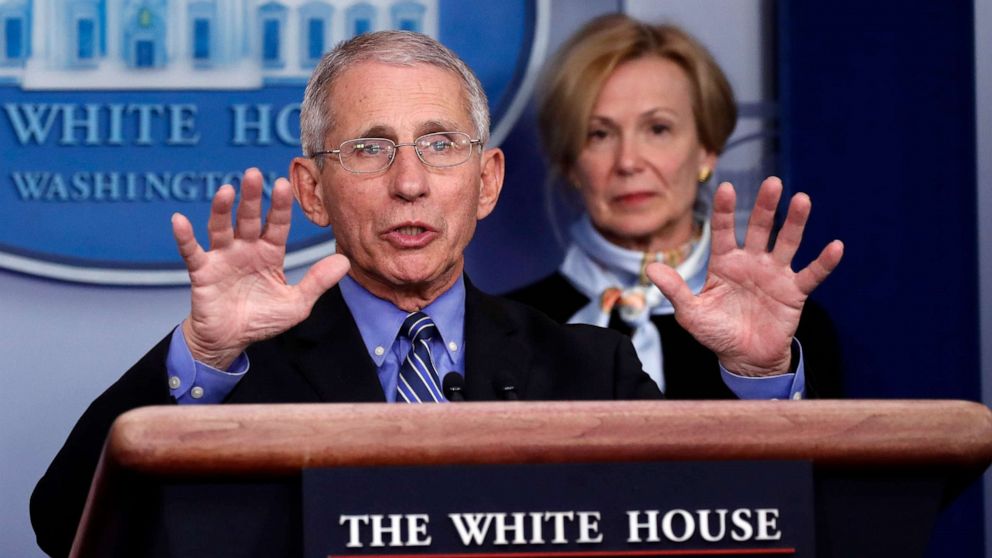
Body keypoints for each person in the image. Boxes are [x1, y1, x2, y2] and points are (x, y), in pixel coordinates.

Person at [30, 29, 841, 557]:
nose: (411, 183)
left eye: (441, 146)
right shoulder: (240, 374)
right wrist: (204, 355)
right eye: (371, 148)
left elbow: (732, 534)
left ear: (487, 181)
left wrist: (761, 383)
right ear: (313, 192)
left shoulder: (594, 365)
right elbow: (62, 525)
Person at [507, 14, 844, 399]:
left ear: (708, 149)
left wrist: (764, 375)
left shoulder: (788, 330)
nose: (629, 161)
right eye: (599, 134)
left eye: (658, 129)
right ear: (570, 164)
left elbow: (808, 459)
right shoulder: (510, 328)